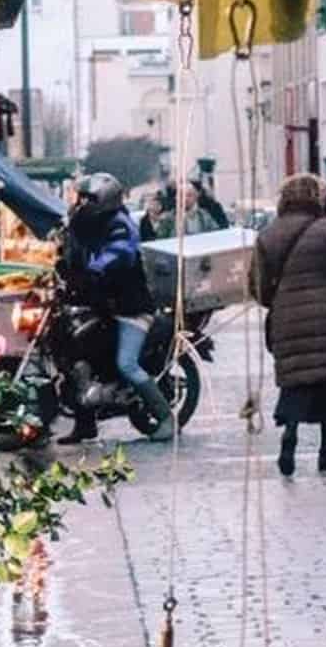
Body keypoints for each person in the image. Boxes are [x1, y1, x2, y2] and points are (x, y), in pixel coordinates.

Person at [252, 173, 326, 478]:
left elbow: (259, 288)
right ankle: (325, 452)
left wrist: (280, 302)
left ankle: (288, 441)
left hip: (287, 319)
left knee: (295, 383)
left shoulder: (268, 234)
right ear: (316, 197)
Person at [60, 172, 174, 444]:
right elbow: (74, 252)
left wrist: (91, 272)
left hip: (131, 307)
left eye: (89, 198)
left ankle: (166, 418)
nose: (82, 203)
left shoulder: (121, 224)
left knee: (127, 364)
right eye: (82, 198)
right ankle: (85, 424)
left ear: (103, 199)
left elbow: (117, 254)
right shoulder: (86, 223)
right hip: (104, 306)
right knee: (78, 353)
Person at [156, 180, 223, 239]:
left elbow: (215, 235)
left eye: (189, 195)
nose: (185, 198)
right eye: (181, 195)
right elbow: (159, 241)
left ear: (196, 197)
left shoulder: (204, 216)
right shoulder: (168, 218)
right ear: (176, 198)